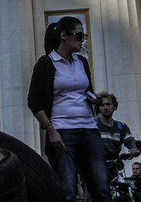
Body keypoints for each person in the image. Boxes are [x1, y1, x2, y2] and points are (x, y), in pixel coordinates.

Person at [28, 16, 111, 202]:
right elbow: (34, 101)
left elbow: (86, 90)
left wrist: (94, 98)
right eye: (79, 35)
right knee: (68, 191)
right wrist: (51, 130)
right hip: (63, 131)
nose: (82, 40)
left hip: (89, 129)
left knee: (101, 189)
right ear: (64, 36)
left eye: (84, 36)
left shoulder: (81, 62)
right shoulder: (46, 63)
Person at [95, 91, 141, 184]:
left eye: (108, 104)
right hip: (96, 166)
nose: (105, 108)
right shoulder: (93, 124)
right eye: (102, 105)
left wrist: (133, 148)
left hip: (114, 166)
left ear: (114, 107)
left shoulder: (121, 126)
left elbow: (129, 139)